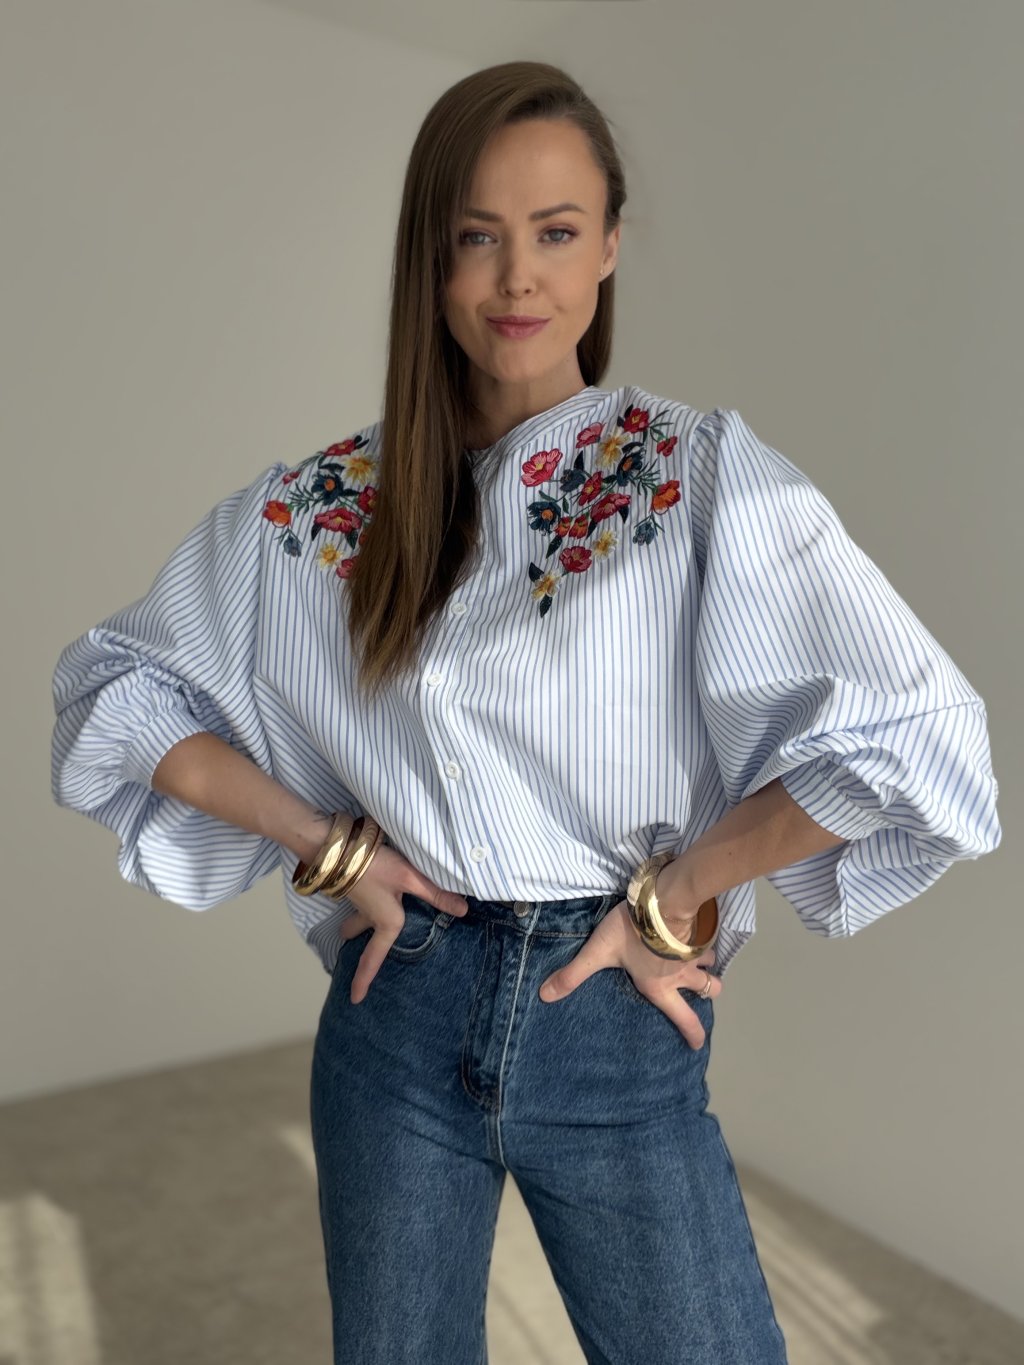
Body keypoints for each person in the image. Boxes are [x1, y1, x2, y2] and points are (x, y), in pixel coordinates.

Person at [50, 61, 1001, 1365]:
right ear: (429, 260)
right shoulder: (322, 507)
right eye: (477, 238)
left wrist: (685, 891)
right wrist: (327, 846)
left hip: (608, 1012)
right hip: (396, 1016)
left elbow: (918, 735)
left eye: (556, 233)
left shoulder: (693, 473)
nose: (517, 280)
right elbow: (116, 685)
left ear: (609, 244)